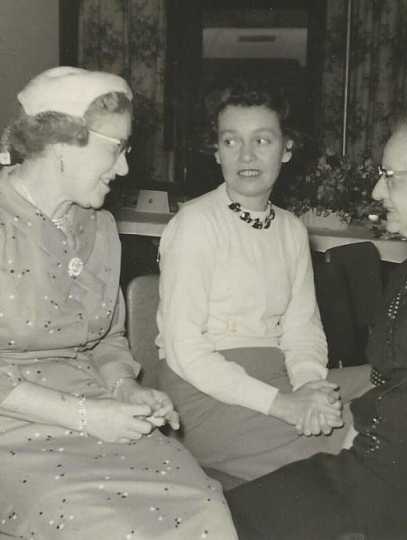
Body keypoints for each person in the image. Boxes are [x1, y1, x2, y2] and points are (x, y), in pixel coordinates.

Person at [224, 102, 407, 540]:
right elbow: (391, 387)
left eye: (391, 176)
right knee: (222, 514)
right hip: (378, 471)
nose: (376, 192)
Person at [0, 66, 237, 540]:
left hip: (96, 408)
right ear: (61, 141)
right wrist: (89, 416)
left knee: (206, 506)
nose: (125, 168)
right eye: (116, 148)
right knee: (101, 523)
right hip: (12, 424)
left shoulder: (101, 227)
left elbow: (106, 338)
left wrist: (125, 388)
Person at [156, 78, 371, 482]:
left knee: (394, 386)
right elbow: (185, 351)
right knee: (371, 441)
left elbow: (302, 327)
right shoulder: (196, 224)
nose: (246, 155)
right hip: (207, 394)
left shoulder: (291, 229)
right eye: (231, 141)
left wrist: (311, 390)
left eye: (263, 140)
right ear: (216, 151)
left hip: (282, 379)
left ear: (287, 149)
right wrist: (285, 406)